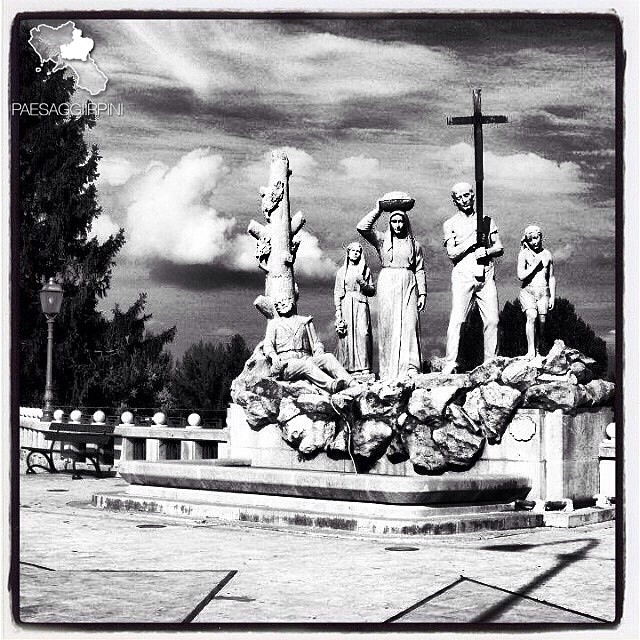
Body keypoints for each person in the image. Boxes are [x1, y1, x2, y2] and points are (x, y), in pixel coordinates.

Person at [357, 200, 427, 380]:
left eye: (401, 221)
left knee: (410, 324)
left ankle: (412, 366)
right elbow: (362, 227)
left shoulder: (415, 245)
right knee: (388, 325)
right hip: (388, 281)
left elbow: (419, 269)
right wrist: (378, 210)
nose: (398, 225)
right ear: (390, 223)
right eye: (394, 221)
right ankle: (388, 370)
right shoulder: (381, 240)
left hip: (409, 281)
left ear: (406, 223)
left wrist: (423, 293)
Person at [442, 182, 504, 374]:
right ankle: (451, 362)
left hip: (485, 274)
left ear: (473, 196)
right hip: (463, 275)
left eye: (466, 195)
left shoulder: (486, 221)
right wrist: (471, 242)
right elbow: (452, 253)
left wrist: (486, 250)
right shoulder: (450, 223)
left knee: (492, 320)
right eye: (459, 197)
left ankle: (491, 363)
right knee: (458, 320)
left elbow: (499, 247)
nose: (464, 200)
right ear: (454, 201)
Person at [263, 294, 355, 394]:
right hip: (287, 364)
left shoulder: (305, 321)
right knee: (305, 365)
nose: (281, 304)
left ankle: (352, 383)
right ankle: (332, 385)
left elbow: (316, 343)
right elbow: (268, 346)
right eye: (278, 303)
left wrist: (319, 349)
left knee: (328, 357)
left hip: (306, 358)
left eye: (284, 300)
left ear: (291, 301)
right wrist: (274, 357)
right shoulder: (274, 324)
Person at [334, 242, 375, 374]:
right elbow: (337, 293)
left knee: (363, 333)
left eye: (358, 251)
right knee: (347, 335)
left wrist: (363, 283)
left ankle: (364, 366)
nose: (356, 253)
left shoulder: (365, 270)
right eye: (353, 251)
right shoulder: (342, 272)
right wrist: (338, 312)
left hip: (361, 302)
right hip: (346, 303)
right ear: (348, 252)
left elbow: (372, 291)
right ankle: (348, 368)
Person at [517, 225, 556, 358]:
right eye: (531, 239)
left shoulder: (547, 254)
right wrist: (534, 265)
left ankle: (538, 349)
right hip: (528, 291)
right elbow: (520, 275)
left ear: (541, 237)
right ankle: (530, 351)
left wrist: (552, 297)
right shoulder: (524, 254)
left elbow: (551, 277)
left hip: (543, 292)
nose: (534, 241)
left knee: (542, 323)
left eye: (536, 238)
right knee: (531, 316)